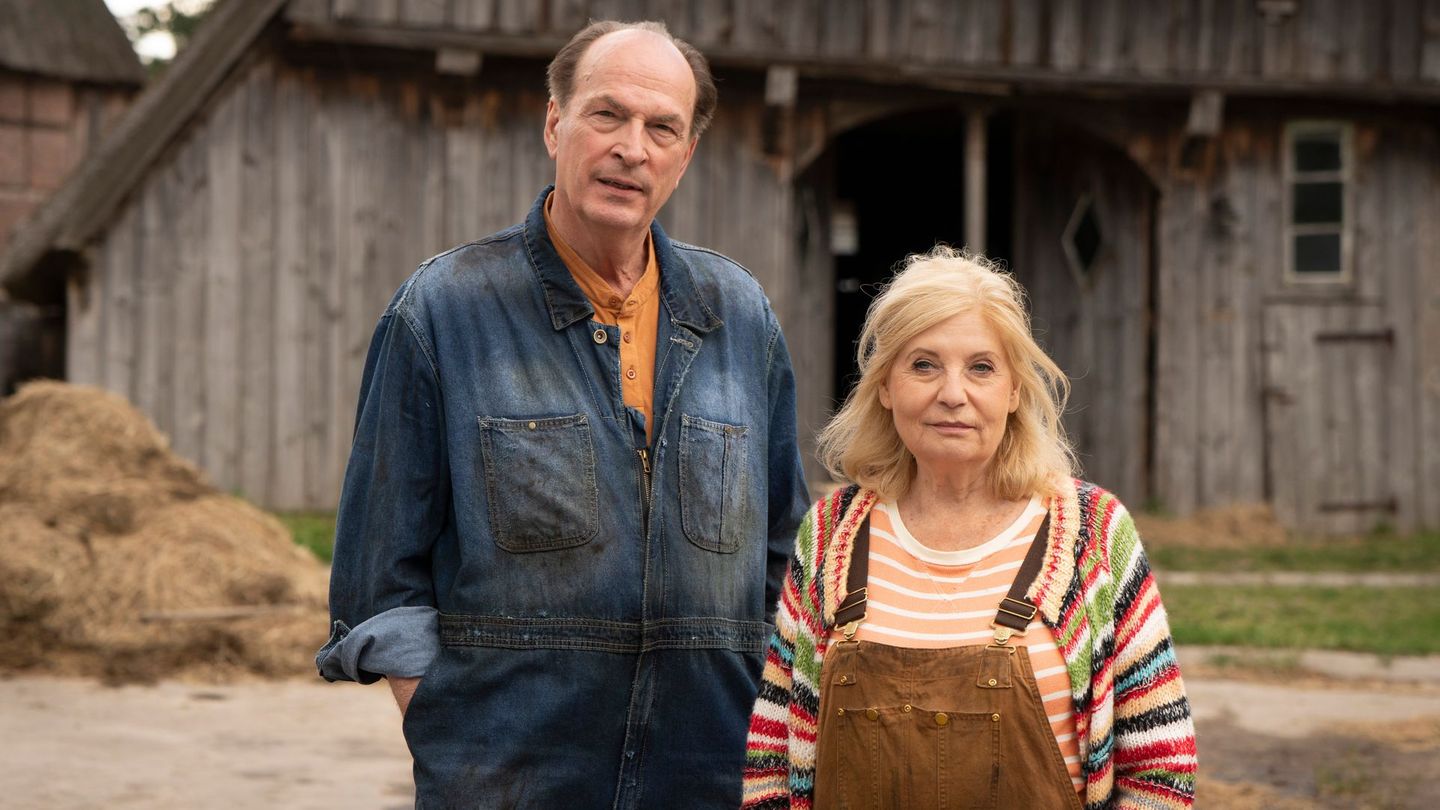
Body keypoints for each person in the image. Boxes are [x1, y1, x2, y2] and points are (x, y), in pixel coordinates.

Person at [316, 20, 811, 808]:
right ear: (556, 124)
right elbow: (379, 576)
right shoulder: (445, 309)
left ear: (685, 155)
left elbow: (784, 553)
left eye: (661, 128)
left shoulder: (737, 315)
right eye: (607, 115)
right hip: (507, 781)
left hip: (708, 776)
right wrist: (453, 725)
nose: (631, 149)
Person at [742, 246, 1197, 809]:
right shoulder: (832, 534)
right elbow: (771, 760)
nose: (952, 395)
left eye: (981, 368)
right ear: (885, 387)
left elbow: (1160, 771)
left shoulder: (1093, 534)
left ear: (1014, 391)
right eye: (923, 365)